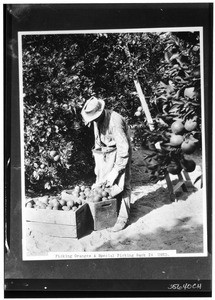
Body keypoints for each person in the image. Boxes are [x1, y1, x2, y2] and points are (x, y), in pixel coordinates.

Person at [81, 96, 132, 232]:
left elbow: (123, 149)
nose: (93, 121)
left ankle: (122, 218)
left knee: (124, 184)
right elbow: (98, 141)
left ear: (101, 112)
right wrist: (101, 165)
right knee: (105, 182)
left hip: (120, 151)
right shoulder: (97, 120)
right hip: (107, 151)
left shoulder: (115, 121)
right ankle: (109, 211)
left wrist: (117, 170)